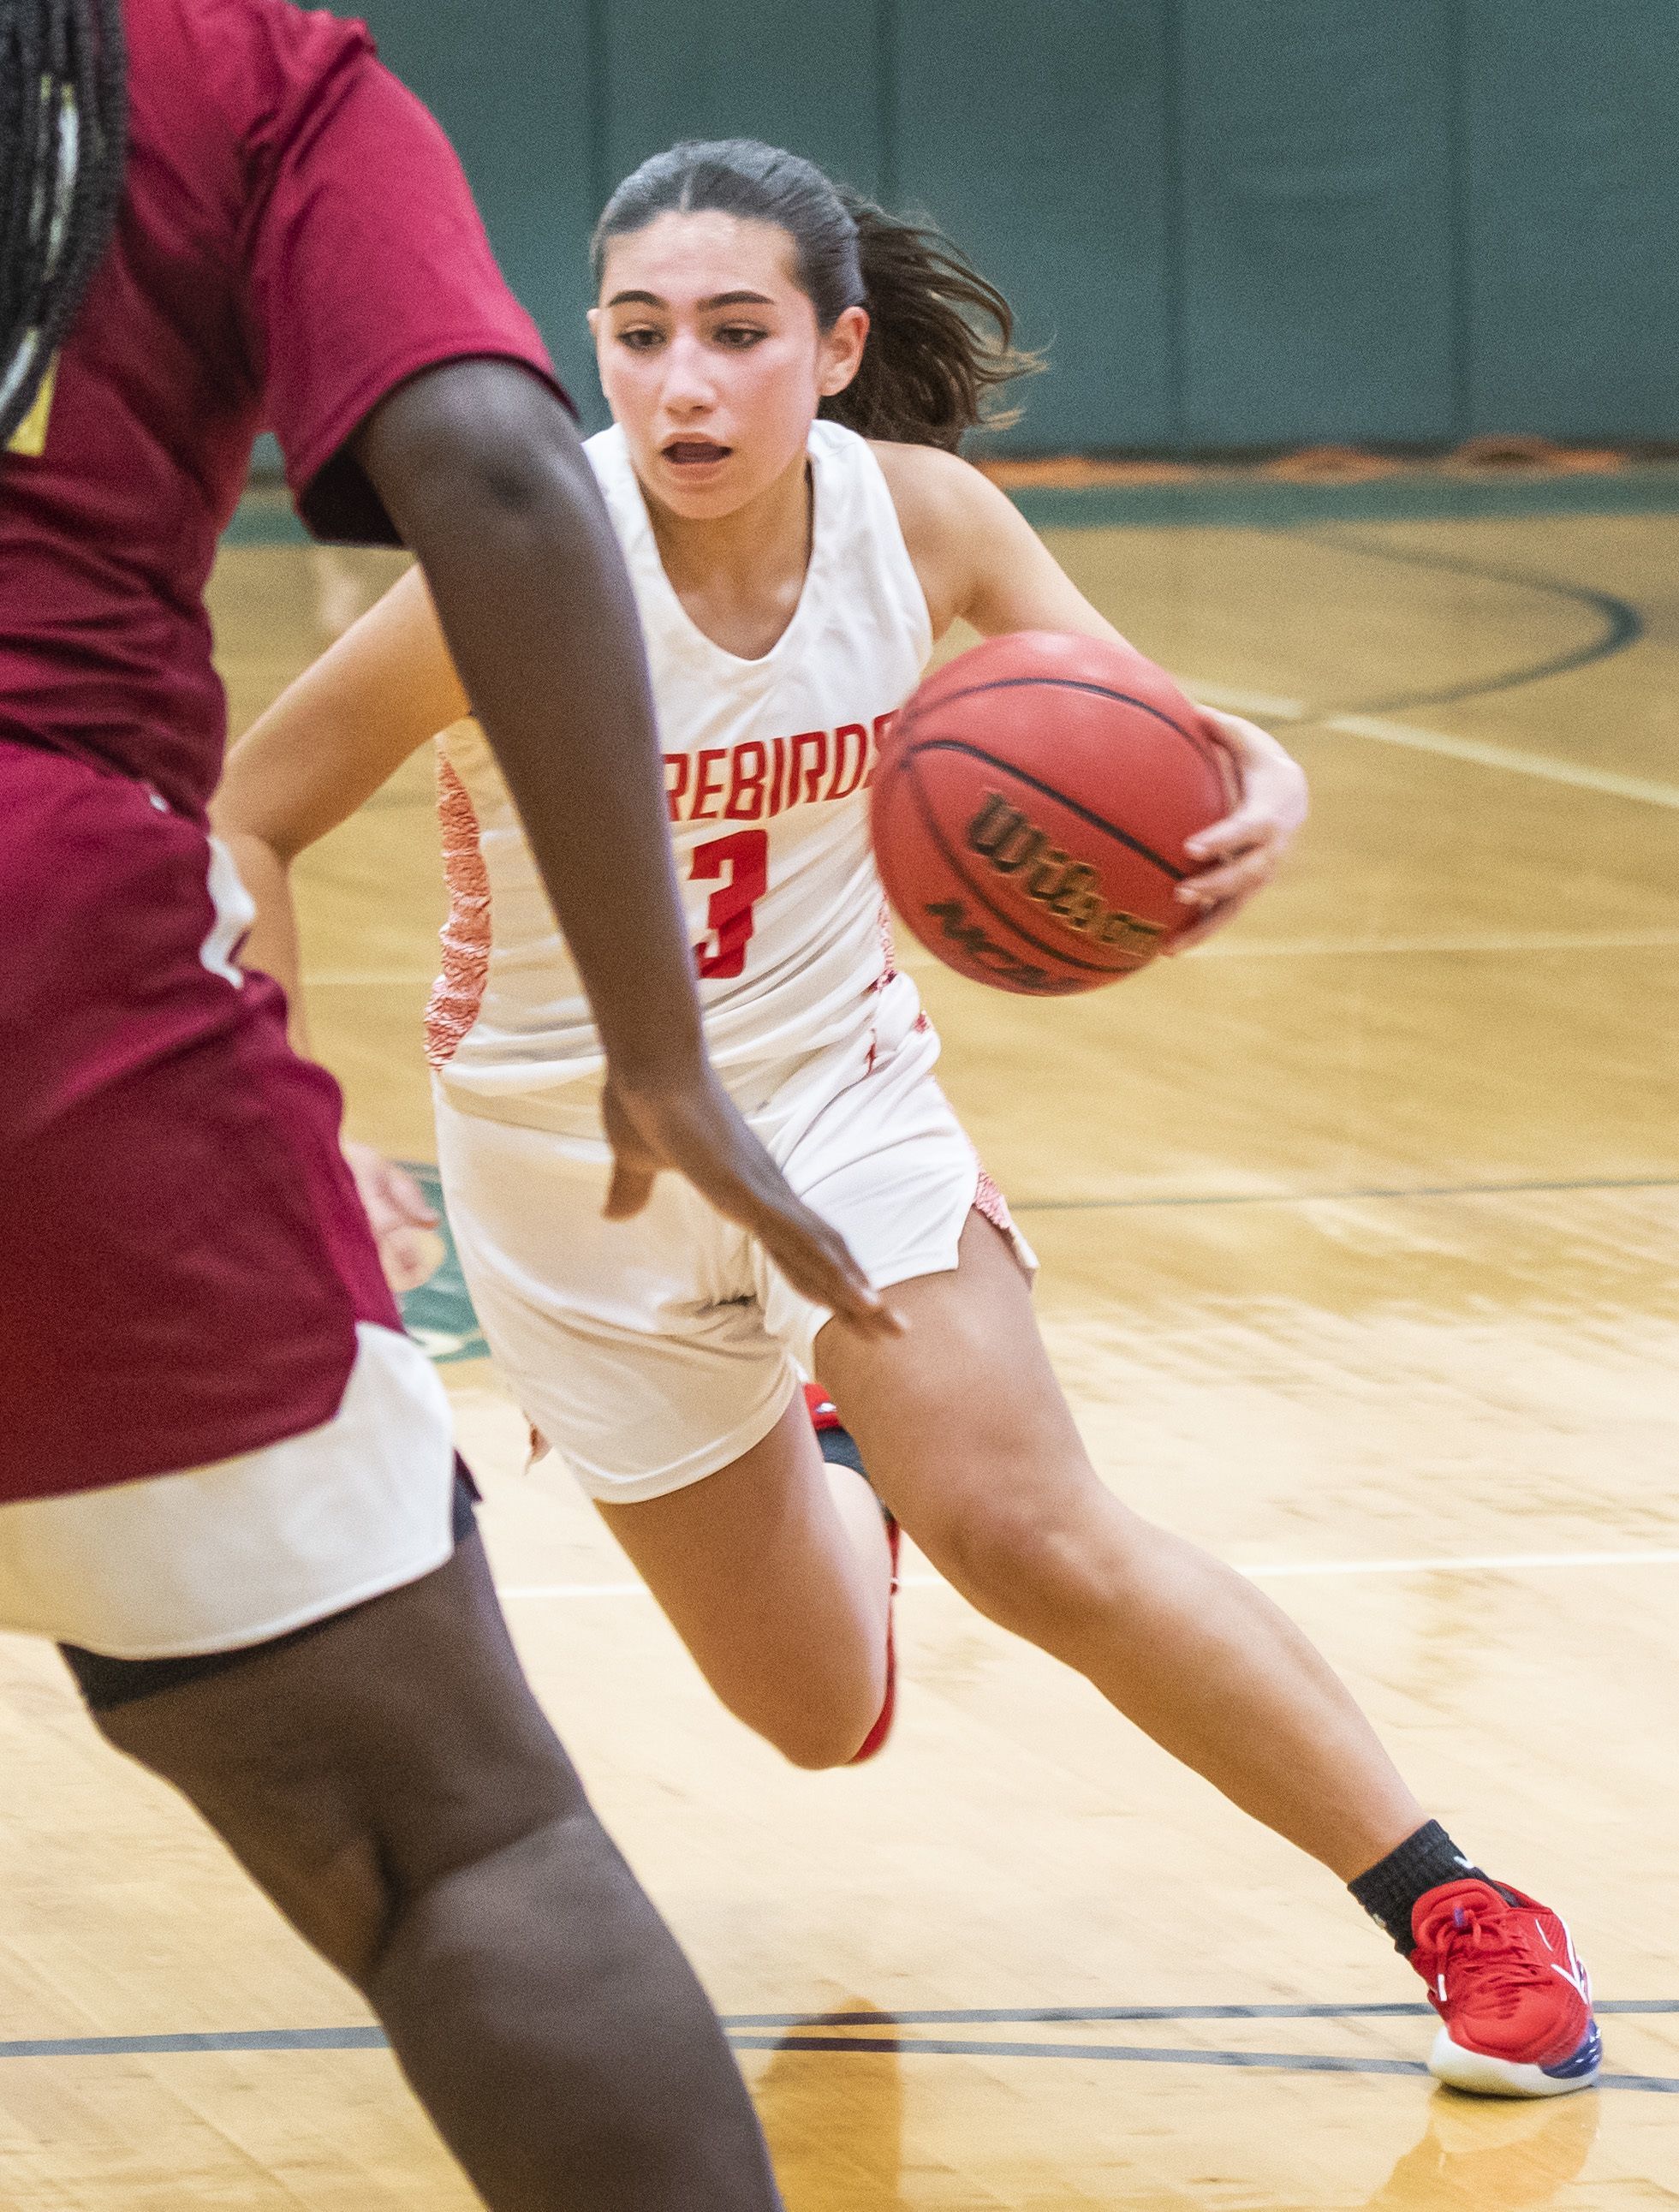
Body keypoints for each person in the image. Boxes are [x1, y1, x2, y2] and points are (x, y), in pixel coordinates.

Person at [216, 138, 1602, 2104]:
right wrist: (287, 1111)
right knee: (814, 1712)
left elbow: (1152, 720)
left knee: (1028, 1527)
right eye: (636, 338)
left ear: (836, 344)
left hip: (832, 1104)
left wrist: (1264, 776)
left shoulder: (925, 522)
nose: (683, 384)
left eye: (735, 334)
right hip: (569, 1184)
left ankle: (1457, 1903)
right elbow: (246, 813)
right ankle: (835, 1454)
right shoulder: (517, 566)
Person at [0, 15, 916, 2208]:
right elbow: (502, 475)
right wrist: (658, 1043)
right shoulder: (224, 66)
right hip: (44, 970)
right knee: (462, 1843)